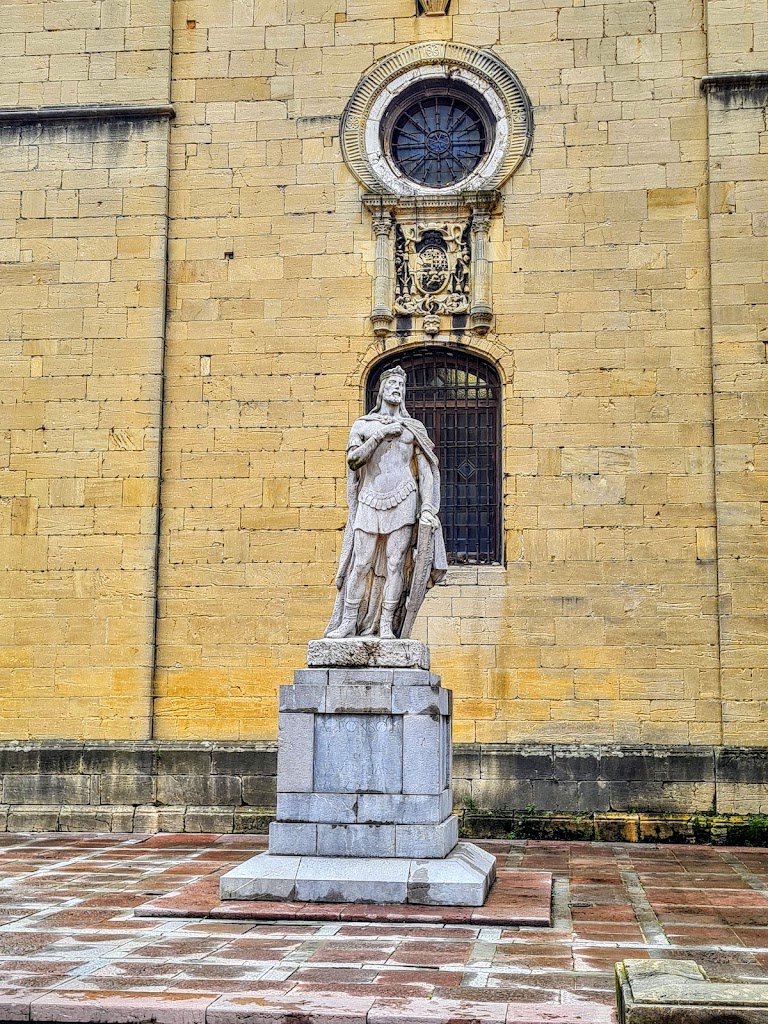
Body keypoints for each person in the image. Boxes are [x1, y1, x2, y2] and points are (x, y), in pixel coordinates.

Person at [325, 366, 447, 640]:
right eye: (391, 383)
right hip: (370, 497)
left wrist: (427, 508)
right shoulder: (363, 426)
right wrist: (380, 435)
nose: (396, 388)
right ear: (381, 390)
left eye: (400, 385)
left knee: (395, 564)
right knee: (361, 563)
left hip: (404, 497)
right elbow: (354, 461)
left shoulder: (413, 428)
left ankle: (386, 624)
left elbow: (427, 471)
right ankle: (348, 623)